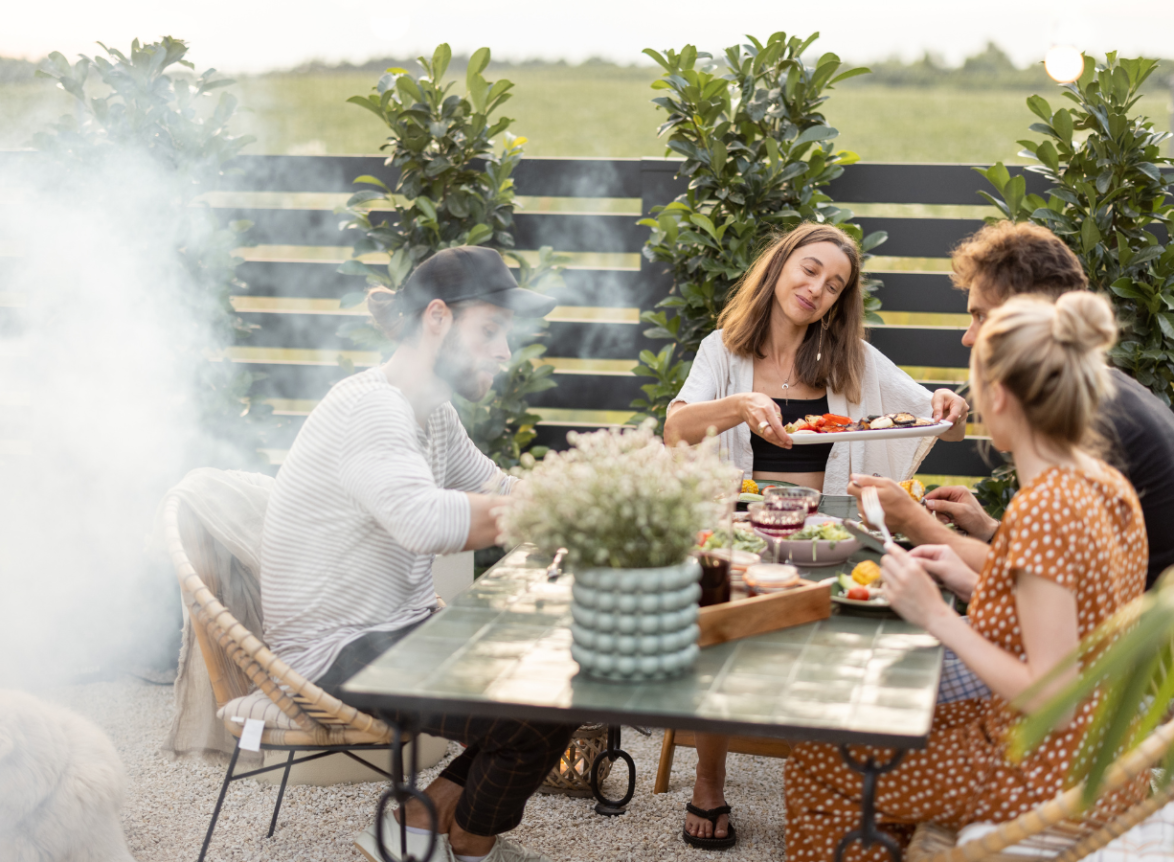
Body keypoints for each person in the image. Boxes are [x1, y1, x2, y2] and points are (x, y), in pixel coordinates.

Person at [784, 291, 1149, 859]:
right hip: (1104, 755)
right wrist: (961, 576)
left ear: (999, 395)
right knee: (878, 731)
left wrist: (934, 616)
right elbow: (1080, 623)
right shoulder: (1104, 484)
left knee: (818, 762)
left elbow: (1053, 692)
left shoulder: (1045, 508)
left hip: (1043, 771)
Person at [260, 246, 574, 862]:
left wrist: (591, 498)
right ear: (437, 318)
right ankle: (469, 846)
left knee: (568, 680)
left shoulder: (432, 413)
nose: (506, 352)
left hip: (400, 627)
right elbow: (423, 521)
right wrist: (556, 515)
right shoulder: (370, 408)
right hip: (335, 650)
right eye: (490, 330)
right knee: (524, 724)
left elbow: (499, 487)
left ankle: (419, 824)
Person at [663, 223, 970, 848]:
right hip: (740, 526)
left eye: (834, 285)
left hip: (829, 528)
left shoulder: (848, 357)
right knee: (719, 620)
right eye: (809, 270)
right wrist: (742, 406)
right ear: (779, 267)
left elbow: (938, 426)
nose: (817, 290)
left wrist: (947, 403)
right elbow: (675, 429)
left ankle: (829, 780)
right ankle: (709, 778)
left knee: (852, 630)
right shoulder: (722, 351)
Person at [850, 220, 1174, 589]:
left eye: (981, 316)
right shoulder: (1099, 392)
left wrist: (913, 522)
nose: (968, 338)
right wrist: (988, 529)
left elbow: (1045, 592)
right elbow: (1057, 563)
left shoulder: (1097, 421)